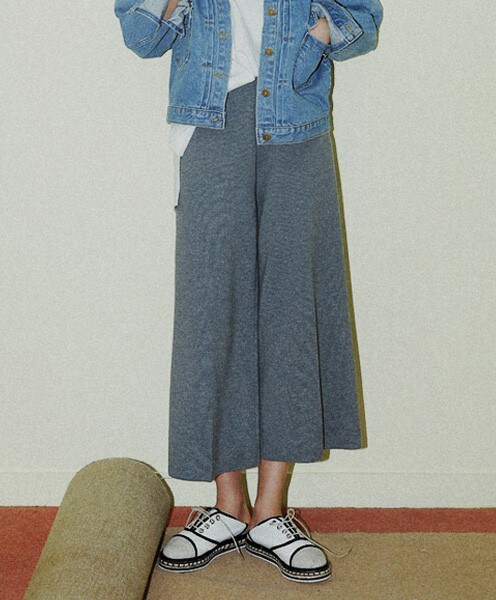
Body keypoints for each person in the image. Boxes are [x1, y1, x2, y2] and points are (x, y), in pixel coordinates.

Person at [114, 0, 383, 584]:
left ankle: (271, 511)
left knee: (292, 308)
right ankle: (228, 505)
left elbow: (364, 17)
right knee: (212, 311)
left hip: (296, 126)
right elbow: (140, 34)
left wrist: (317, 36)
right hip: (210, 123)